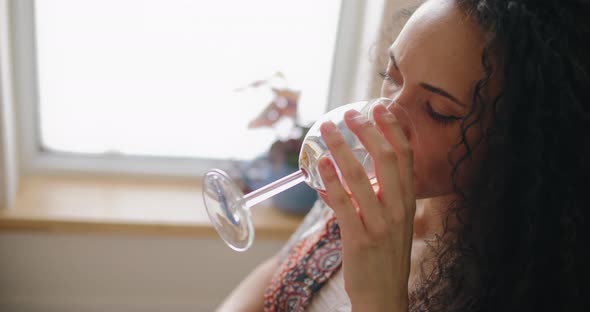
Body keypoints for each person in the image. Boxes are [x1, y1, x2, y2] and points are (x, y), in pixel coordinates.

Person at [218, 0, 589, 311]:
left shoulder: (526, 284)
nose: (383, 119)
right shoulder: (366, 184)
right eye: (393, 75)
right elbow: (270, 281)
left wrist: (379, 299)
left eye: (439, 110)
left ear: (517, 140)